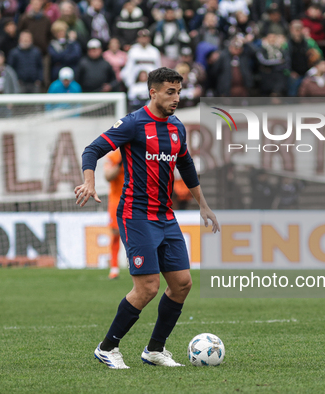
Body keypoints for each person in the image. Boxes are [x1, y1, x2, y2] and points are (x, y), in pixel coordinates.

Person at [75, 67, 219, 369]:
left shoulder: (177, 127)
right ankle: (107, 348)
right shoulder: (133, 124)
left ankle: (155, 349)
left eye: (179, 91)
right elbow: (92, 150)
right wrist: (89, 182)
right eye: (170, 91)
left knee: (182, 283)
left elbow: (187, 167)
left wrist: (203, 205)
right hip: (135, 214)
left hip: (165, 215)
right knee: (148, 288)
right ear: (153, 92)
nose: (176, 98)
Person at [102, 149, 124, 279]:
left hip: (135, 199)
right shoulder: (113, 157)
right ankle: (114, 267)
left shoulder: (139, 153)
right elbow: (108, 176)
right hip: (117, 200)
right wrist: (121, 163)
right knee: (116, 232)